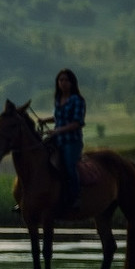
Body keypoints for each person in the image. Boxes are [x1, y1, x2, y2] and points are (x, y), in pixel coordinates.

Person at [44, 68, 86, 211]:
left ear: (72, 82)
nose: (63, 83)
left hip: (72, 141)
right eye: (60, 80)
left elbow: (77, 122)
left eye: (66, 80)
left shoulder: (77, 100)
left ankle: (75, 197)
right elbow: (58, 118)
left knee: (69, 166)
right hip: (57, 140)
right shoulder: (58, 99)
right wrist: (44, 120)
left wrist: (57, 130)